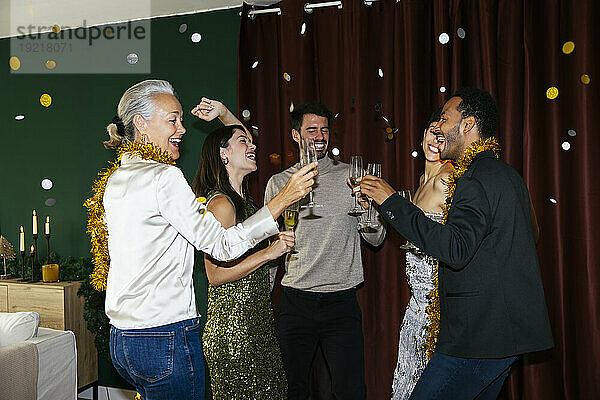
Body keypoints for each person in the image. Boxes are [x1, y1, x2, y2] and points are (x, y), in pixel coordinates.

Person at [93, 80, 316, 400]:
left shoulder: (118, 177)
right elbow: (222, 247)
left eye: (181, 119)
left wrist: (226, 114)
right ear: (141, 123)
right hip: (165, 338)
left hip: (123, 341)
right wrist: (284, 198)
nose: (182, 129)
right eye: (173, 119)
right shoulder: (163, 177)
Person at [358, 87, 553, 399]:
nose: (438, 127)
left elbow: (454, 250)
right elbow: (531, 234)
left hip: (477, 339)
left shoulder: (473, 179)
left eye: (445, 119)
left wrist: (392, 201)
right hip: (505, 337)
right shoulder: (506, 174)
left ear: (467, 125)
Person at [263, 101, 386, 400]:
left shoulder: (352, 178)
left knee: (350, 390)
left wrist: (369, 210)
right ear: (295, 135)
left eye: (324, 130)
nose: (319, 136)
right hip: (296, 301)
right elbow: (269, 249)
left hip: (342, 303)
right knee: (293, 390)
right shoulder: (279, 183)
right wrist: (264, 300)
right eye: (311, 130)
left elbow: (376, 239)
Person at [190, 99, 288, 398]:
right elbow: (215, 275)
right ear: (223, 155)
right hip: (234, 331)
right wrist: (269, 253)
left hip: (255, 322)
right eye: (243, 141)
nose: (252, 146)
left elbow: (239, 138)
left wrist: (223, 115)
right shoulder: (220, 204)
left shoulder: (243, 200)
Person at [390, 108, 453, 399]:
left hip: (436, 305)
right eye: (431, 132)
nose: (435, 140)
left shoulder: (447, 179)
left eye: (442, 136)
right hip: (416, 302)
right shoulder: (419, 182)